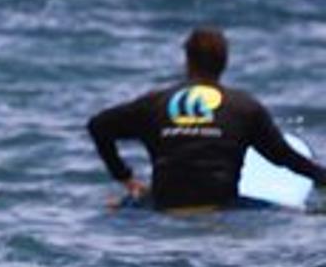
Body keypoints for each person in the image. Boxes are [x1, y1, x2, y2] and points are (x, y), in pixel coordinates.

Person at [87, 25, 326, 211]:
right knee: (297, 215)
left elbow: (98, 126)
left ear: (187, 60)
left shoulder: (154, 104)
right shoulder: (244, 108)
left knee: (116, 206)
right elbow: (284, 157)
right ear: (225, 62)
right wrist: (322, 178)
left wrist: (125, 177)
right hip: (223, 207)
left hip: (165, 206)